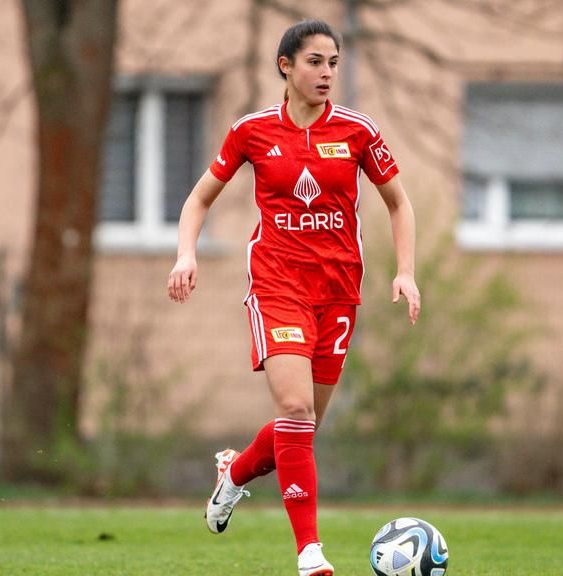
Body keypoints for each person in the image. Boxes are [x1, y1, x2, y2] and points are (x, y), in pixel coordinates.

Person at [168, 19, 421, 576]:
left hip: (339, 291)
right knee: (294, 409)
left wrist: (405, 272)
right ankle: (310, 552)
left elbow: (399, 204)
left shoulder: (358, 132)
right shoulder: (252, 131)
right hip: (277, 284)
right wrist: (187, 253)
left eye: (333, 62)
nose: (327, 73)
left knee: (302, 426)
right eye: (314, 62)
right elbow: (198, 199)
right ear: (286, 66)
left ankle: (233, 474)